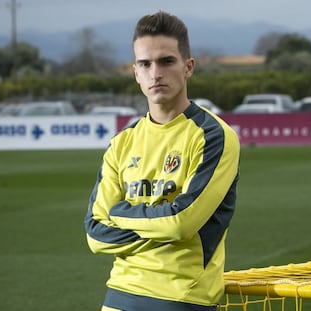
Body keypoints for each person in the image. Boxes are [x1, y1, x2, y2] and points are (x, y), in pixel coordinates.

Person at [84, 11, 240, 311]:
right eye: (145, 63)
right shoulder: (122, 142)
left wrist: (119, 213)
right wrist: (161, 222)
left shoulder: (213, 135)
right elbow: (94, 234)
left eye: (167, 61)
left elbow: (181, 222)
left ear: (188, 67)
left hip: (182, 297)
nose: (155, 73)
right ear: (136, 72)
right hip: (119, 294)